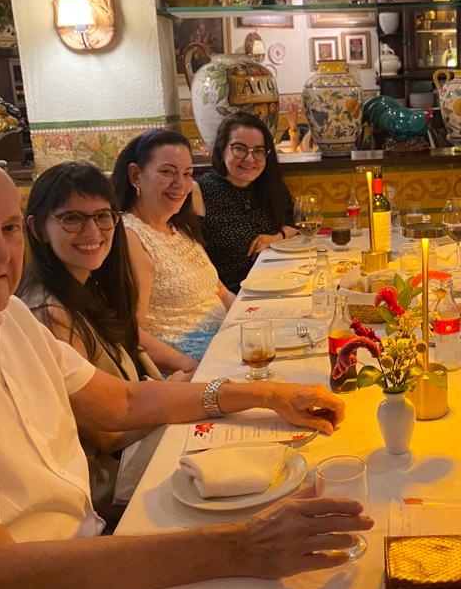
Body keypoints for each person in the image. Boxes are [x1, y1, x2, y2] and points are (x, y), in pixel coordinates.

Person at [0, 150, 372, 589]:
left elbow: (124, 402)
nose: (0, 254)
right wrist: (242, 547)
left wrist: (270, 395)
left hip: (84, 557)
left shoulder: (7, 316)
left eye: (7, 229)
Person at [19, 162, 184, 528]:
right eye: (72, 219)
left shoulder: (87, 286)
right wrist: (174, 396)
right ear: (37, 228)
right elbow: (107, 436)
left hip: (132, 446)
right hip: (106, 483)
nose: (92, 232)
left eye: (102, 216)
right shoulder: (48, 314)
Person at [111, 129, 230, 371]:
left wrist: (254, 320)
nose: (181, 184)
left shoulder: (178, 227)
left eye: (187, 174)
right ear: (135, 176)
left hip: (223, 348)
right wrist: (192, 368)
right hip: (189, 366)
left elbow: (220, 292)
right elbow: (131, 331)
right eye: (167, 172)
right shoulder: (131, 237)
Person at [196, 113, 297, 294]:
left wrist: (276, 237)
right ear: (222, 150)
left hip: (275, 282)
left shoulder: (270, 185)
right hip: (229, 294)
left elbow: (294, 223)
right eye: (239, 149)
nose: (250, 159)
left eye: (258, 150)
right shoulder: (201, 191)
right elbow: (194, 258)